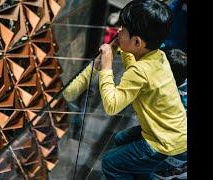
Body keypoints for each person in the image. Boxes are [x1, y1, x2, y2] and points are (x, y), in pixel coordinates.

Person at [62, 0, 187, 179]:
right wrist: (124, 50)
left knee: (111, 163)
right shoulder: (158, 56)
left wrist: (106, 66)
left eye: (123, 29)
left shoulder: (140, 71)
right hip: (175, 132)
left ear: (137, 41)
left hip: (163, 142)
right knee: (121, 139)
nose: (118, 31)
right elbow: (136, 72)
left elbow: (112, 106)